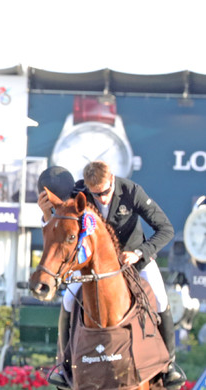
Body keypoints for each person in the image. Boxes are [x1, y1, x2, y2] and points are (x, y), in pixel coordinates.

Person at [38, 161, 185, 388]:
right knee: (68, 301)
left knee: (161, 299)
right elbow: (61, 225)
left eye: (105, 192)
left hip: (134, 260)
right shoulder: (81, 195)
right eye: (96, 194)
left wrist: (139, 253)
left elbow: (166, 229)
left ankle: (169, 367)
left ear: (112, 180)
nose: (102, 198)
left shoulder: (131, 192)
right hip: (97, 267)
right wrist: (46, 213)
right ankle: (65, 366)